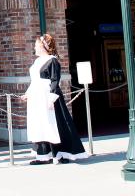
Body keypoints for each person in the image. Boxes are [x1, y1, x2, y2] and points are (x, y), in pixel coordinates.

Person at [24, 33, 88, 165]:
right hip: (37, 97)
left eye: (37, 45)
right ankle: (43, 156)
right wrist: (28, 93)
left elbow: (55, 81)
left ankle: (58, 154)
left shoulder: (52, 61)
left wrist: (51, 99)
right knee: (40, 125)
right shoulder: (37, 62)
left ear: (43, 46)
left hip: (47, 97)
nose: (35, 47)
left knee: (52, 125)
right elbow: (35, 81)